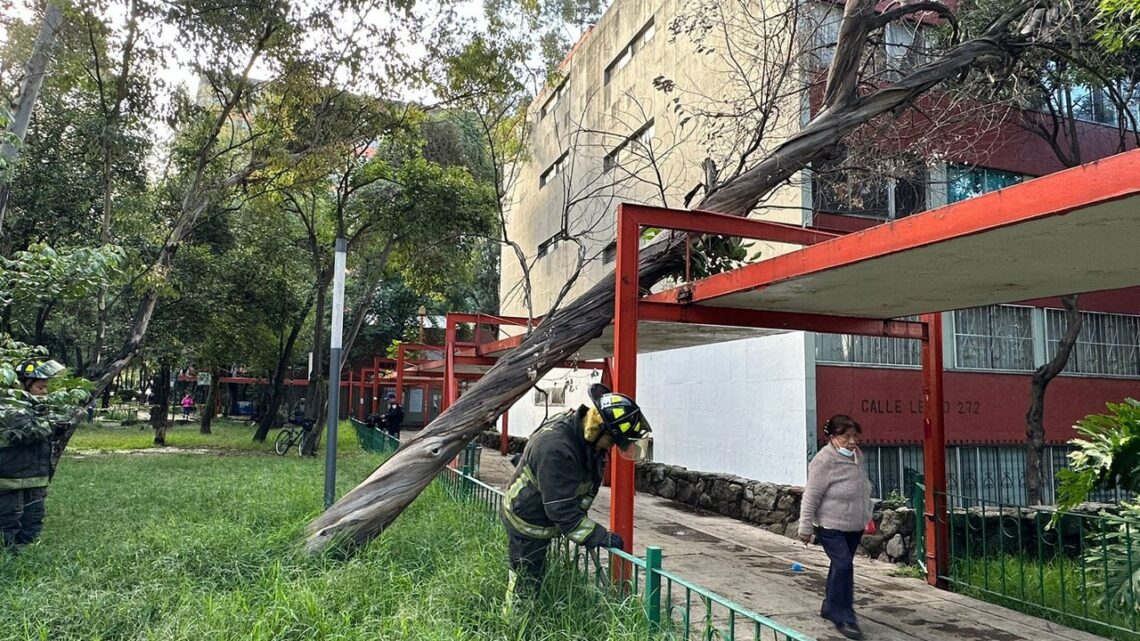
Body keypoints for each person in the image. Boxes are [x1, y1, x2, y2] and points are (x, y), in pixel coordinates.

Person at [500, 383, 652, 602]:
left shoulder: (583, 437)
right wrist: (598, 536)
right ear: (599, 428)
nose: (609, 449)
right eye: (612, 441)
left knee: (535, 576)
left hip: (538, 513)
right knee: (525, 581)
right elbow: (561, 509)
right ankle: (513, 628)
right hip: (527, 521)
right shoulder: (556, 448)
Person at [798, 415, 873, 641]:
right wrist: (805, 527)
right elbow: (811, 496)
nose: (852, 441)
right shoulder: (823, 461)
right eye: (845, 436)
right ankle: (845, 617)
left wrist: (867, 514)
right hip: (830, 525)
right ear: (832, 438)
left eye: (854, 436)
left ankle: (830, 606)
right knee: (843, 565)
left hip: (854, 525)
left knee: (839, 566)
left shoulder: (856, 456)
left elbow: (862, 487)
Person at [0, 358, 67, 551]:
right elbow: (26, 433)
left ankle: (27, 559)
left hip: (35, 478)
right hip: (11, 479)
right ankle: (8, 560)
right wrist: (53, 425)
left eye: (46, 387)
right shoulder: (9, 407)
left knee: (33, 521)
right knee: (8, 521)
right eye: (40, 387)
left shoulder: (40, 409)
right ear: (24, 384)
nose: (45, 392)